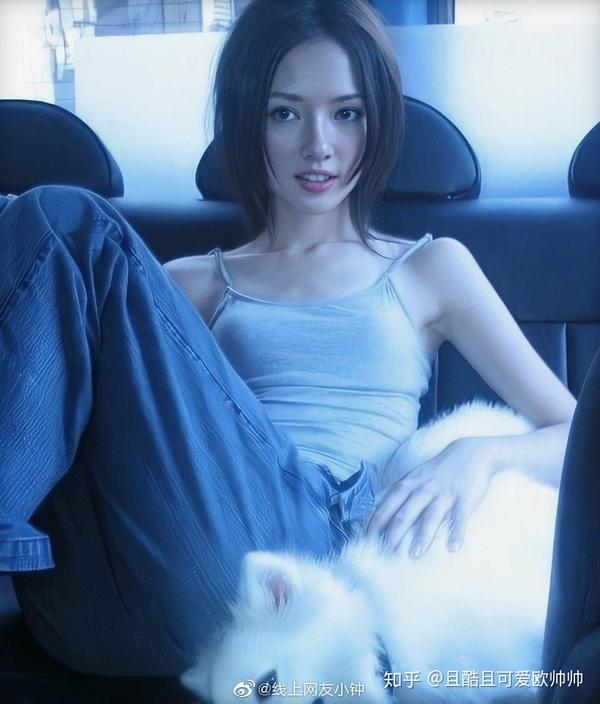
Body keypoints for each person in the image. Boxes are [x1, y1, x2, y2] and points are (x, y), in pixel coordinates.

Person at [0, 0, 574, 679]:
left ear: (378, 122)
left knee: (68, 221)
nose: (318, 145)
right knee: (33, 222)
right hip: (117, 588)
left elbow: (578, 434)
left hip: (290, 576)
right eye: (285, 113)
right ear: (249, 123)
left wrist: (478, 457)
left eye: (346, 114)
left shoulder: (428, 269)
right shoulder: (189, 284)